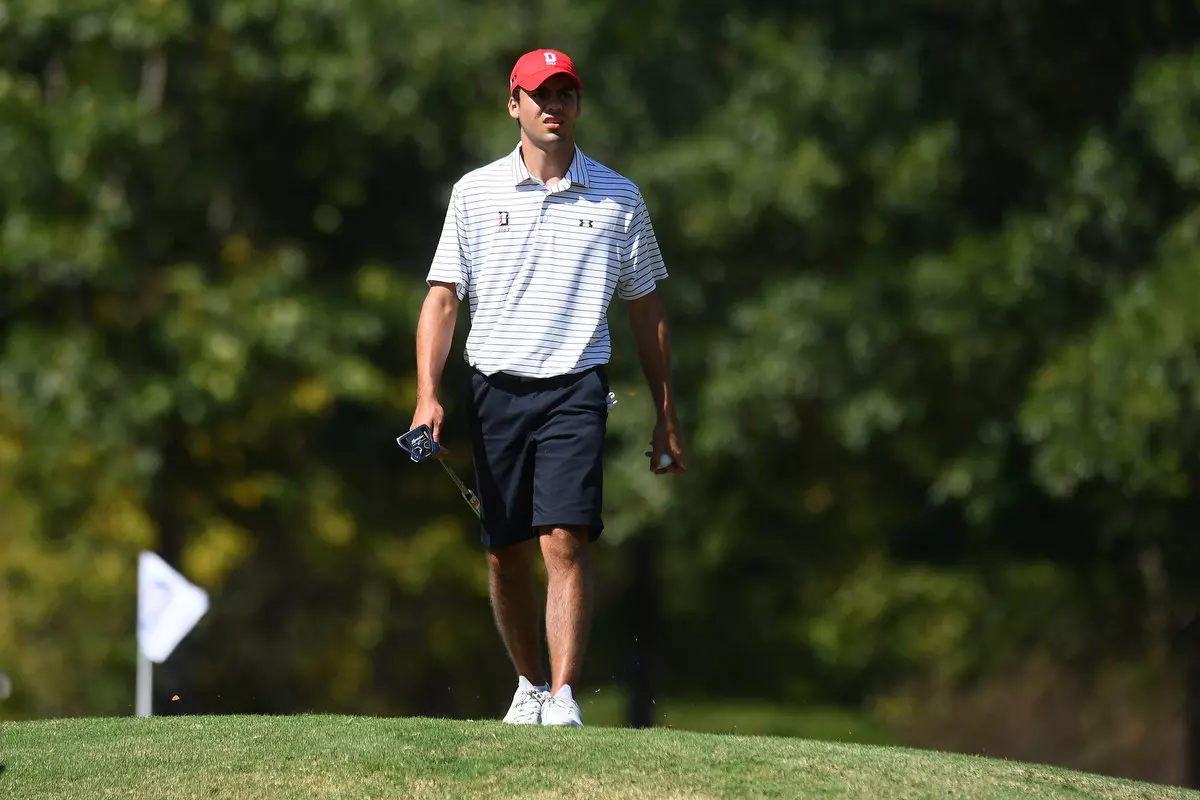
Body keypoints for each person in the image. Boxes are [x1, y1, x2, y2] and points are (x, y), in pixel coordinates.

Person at [409, 47, 687, 728]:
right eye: (540, 94)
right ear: (514, 103)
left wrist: (665, 415)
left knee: (564, 540)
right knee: (505, 554)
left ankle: (563, 697)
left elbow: (646, 310)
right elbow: (443, 298)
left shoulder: (618, 196)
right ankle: (529, 684)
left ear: (577, 105)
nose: (553, 106)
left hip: (576, 387)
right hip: (495, 388)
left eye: (565, 94)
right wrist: (427, 393)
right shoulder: (476, 193)